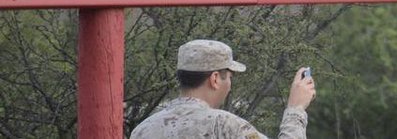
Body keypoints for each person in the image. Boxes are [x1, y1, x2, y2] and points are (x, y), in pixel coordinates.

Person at [131, 39, 315, 138]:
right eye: (230, 77)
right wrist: (295, 110)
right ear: (215, 79)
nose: (230, 85)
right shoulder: (225, 125)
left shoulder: (142, 130)